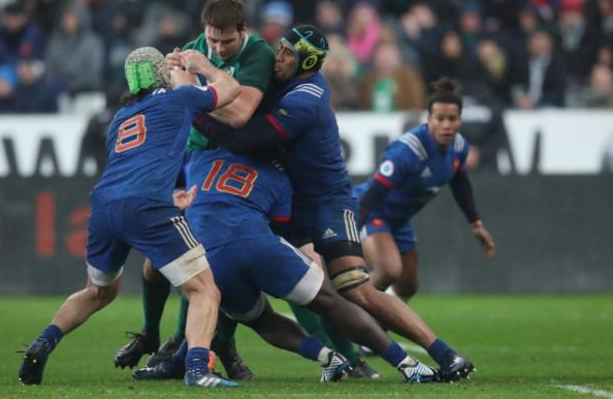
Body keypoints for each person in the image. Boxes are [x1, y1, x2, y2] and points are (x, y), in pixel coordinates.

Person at [192, 24, 476, 383]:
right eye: (280, 48)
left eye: (288, 53)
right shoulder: (284, 82)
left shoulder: (305, 97)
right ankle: (331, 358)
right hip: (294, 198)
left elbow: (249, 139)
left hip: (327, 200)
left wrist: (193, 105)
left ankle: (444, 354)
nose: (278, 56)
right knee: (256, 271)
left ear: (306, 62)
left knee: (354, 288)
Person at [17, 46, 241, 388]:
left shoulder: (120, 118)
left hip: (105, 207)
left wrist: (166, 195)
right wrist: (204, 66)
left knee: (96, 293)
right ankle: (197, 370)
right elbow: (231, 91)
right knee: (205, 291)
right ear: (162, 75)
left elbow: (132, 168)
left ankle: (42, 343)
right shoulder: (179, 99)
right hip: (147, 206)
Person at [130, 146, 438, 383]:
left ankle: (326, 356)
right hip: (258, 244)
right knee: (330, 301)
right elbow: (283, 228)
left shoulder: (198, 158)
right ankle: (407, 364)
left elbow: (160, 173)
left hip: (212, 260)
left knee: (260, 319)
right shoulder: (279, 177)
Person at [113, 0, 275, 381]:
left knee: (212, 258)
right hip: (186, 158)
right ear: (204, 32)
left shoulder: (259, 56)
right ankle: (153, 334)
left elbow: (239, 115)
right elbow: (174, 104)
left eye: (226, 44)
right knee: (157, 258)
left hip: (230, 162)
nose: (217, 49)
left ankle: (206, 347)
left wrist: (197, 77)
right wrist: (171, 84)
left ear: (243, 32)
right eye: (211, 42)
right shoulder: (193, 48)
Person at [354, 77, 496, 303]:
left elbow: (460, 183)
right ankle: (337, 306)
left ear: (460, 120)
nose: (446, 125)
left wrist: (476, 223)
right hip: (373, 211)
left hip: (399, 220)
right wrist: (351, 237)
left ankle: (372, 333)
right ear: (429, 119)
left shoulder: (459, 146)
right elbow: (373, 194)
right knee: (390, 270)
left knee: (408, 285)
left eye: (452, 118)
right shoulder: (408, 151)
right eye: (440, 119)